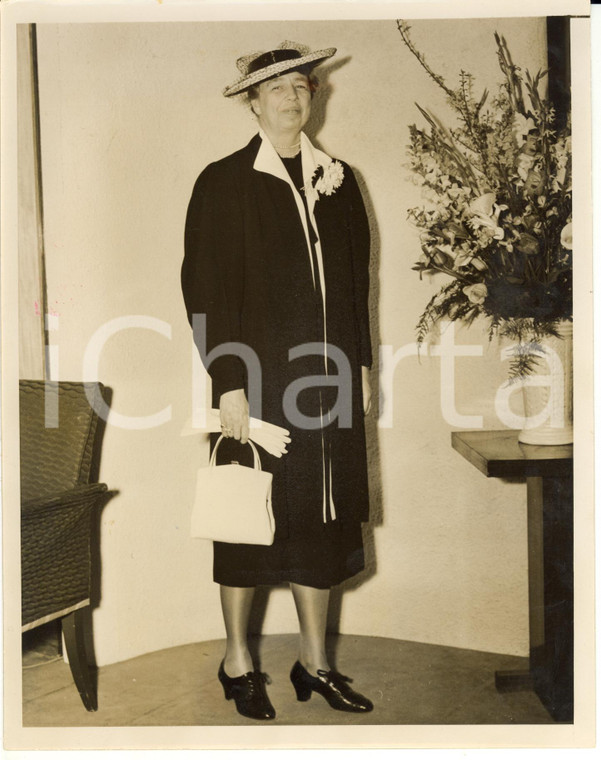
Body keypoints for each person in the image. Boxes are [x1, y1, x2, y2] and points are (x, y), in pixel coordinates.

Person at [181, 41, 374, 721]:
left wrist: (362, 366)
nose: (290, 98)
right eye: (275, 89)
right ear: (253, 102)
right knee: (247, 519)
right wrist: (226, 380)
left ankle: (314, 663)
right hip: (256, 382)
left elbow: (355, 285)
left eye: (299, 85)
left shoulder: (339, 179)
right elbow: (203, 287)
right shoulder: (224, 181)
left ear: (312, 94)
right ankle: (238, 658)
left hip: (328, 384)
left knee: (319, 519)